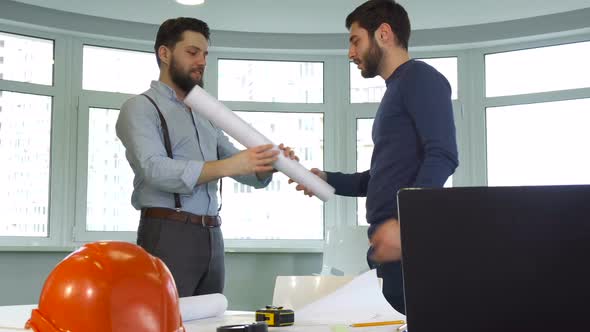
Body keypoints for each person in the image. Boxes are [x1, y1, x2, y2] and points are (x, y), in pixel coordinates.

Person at [291, 0, 458, 313]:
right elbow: (379, 177)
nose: (351, 53)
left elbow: (444, 155)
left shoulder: (420, 78)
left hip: (410, 244)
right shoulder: (396, 89)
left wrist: (406, 224)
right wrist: (326, 179)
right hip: (389, 247)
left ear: (383, 33)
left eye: (355, 41)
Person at [116, 17, 295, 297]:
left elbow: (236, 161)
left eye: (205, 54)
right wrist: (231, 164)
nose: (201, 61)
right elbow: (155, 169)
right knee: (168, 320)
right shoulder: (140, 107)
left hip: (212, 234)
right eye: (192, 52)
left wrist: (267, 163)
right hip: (167, 232)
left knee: (210, 319)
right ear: (164, 54)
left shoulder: (203, 112)